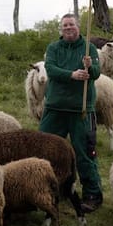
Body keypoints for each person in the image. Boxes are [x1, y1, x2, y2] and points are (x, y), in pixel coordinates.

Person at [39, 12, 103, 213]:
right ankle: (46, 190)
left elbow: (96, 73)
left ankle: (92, 194)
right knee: (44, 150)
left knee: (84, 153)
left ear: (78, 27)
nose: (68, 28)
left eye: (71, 25)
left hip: (80, 110)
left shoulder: (89, 48)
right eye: (65, 25)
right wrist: (72, 75)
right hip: (55, 109)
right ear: (61, 28)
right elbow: (51, 69)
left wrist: (90, 67)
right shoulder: (54, 48)